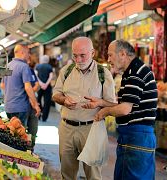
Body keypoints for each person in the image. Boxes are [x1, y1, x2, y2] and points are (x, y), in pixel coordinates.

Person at [82, 40, 158, 180]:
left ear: (122, 54)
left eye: (110, 55)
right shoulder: (132, 71)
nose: (108, 59)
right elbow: (126, 104)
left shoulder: (135, 72)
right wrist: (101, 103)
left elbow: (124, 109)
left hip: (136, 138)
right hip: (137, 138)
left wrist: (104, 112)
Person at [52, 37, 116, 180]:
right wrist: (64, 100)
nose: (78, 60)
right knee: (67, 173)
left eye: (82, 55)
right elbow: (55, 95)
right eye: (75, 55)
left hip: (91, 129)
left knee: (93, 174)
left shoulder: (103, 74)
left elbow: (112, 104)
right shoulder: (66, 71)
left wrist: (98, 103)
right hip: (66, 129)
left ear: (92, 53)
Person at [1, 44, 40, 126]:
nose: (29, 55)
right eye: (28, 53)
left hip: (8, 107)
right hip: (20, 107)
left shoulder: (7, 66)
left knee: (12, 133)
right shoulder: (24, 66)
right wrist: (35, 105)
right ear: (22, 52)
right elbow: (28, 87)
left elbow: (2, 85)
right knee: (20, 135)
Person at [35, 55, 53, 121]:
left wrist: (41, 83)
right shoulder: (50, 67)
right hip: (47, 87)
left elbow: (36, 76)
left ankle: (39, 114)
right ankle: (44, 117)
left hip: (39, 86)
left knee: (38, 100)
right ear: (47, 60)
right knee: (47, 102)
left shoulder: (38, 66)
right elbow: (51, 77)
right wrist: (46, 84)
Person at [27, 55, 40, 147]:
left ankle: (29, 149)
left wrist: (29, 91)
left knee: (31, 130)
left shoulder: (30, 71)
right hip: (27, 103)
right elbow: (36, 85)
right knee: (31, 130)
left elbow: (37, 85)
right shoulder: (28, 70)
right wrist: (31, 91)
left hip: (30, 103)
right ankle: (29, 148)